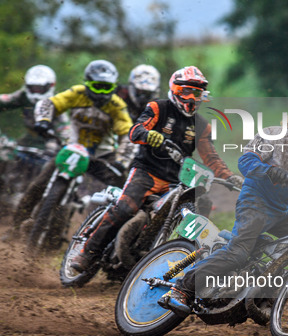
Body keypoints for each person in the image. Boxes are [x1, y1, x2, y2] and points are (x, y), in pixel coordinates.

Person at [158, 97, 288, 317]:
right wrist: (268, 170)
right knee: (238, 253)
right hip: (255, 201)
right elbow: (245, 161)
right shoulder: (274, 136)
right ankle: (182, 288)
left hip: (284, 210)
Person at [69, 65, 244, 273]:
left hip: (176, 182)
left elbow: (211, 157)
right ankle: (87, 253)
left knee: (202, 204)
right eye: (186, 91)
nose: (191, 97)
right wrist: (147, 135)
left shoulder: (202, 125)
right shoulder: (158, 108)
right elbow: (135, 131)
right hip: (146, 173)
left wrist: (230, 177)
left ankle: (179, 258)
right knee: (125, 208)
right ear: (176, 90)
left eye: (196, 93)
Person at [4, 60, 135, 241]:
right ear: (87, 84)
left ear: (113, 87)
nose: (102, 93)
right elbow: (49, 103)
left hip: (101, 156)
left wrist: (122, 162)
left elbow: (128, 135)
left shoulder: (117, 105)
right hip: (72, 149)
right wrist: (43, 120)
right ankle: (15, 228)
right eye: (97, 87)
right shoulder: (76, 93)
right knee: (37, 185)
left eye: (107, 88)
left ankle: (116, 238)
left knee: (126, 190)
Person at [0, 65, 68, 149]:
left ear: (50, 85)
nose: (36, 92)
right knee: (2, 154)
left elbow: (65, 128)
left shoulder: (56, 103)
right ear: (27, 86)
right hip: (28, 141)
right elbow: (1, 100)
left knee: (48, 162)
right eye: (33, 87)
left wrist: (60, 144)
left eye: (39, 88)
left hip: (50, 144)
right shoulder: (23, 96)